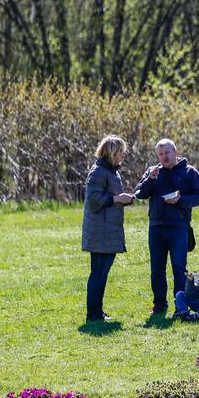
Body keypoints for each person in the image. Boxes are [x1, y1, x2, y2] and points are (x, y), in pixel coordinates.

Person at [134, 138, 199, 314]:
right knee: (157, 269)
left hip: (179, 227)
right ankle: (159, 305)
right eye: (160, 154)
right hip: (156, 227)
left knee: (179, 267)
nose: (164, 157)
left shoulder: (189, 172)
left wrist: (180, 201)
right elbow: (140, 194)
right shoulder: (153, 172)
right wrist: (150, 180)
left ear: (175, 152)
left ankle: (180, 305)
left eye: (167, 153)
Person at [82, 135, 134, 323]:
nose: (123, 155)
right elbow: (94, 200)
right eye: (121, 151)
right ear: (112, 152)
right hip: (99, 232)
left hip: (108, 230)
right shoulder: (98, 172)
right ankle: (93, 314)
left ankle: (97, 311)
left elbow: (109, 197)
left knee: (102, 273)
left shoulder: (111, 171)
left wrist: (123, 199)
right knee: (98, 273)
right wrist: (117, 199)